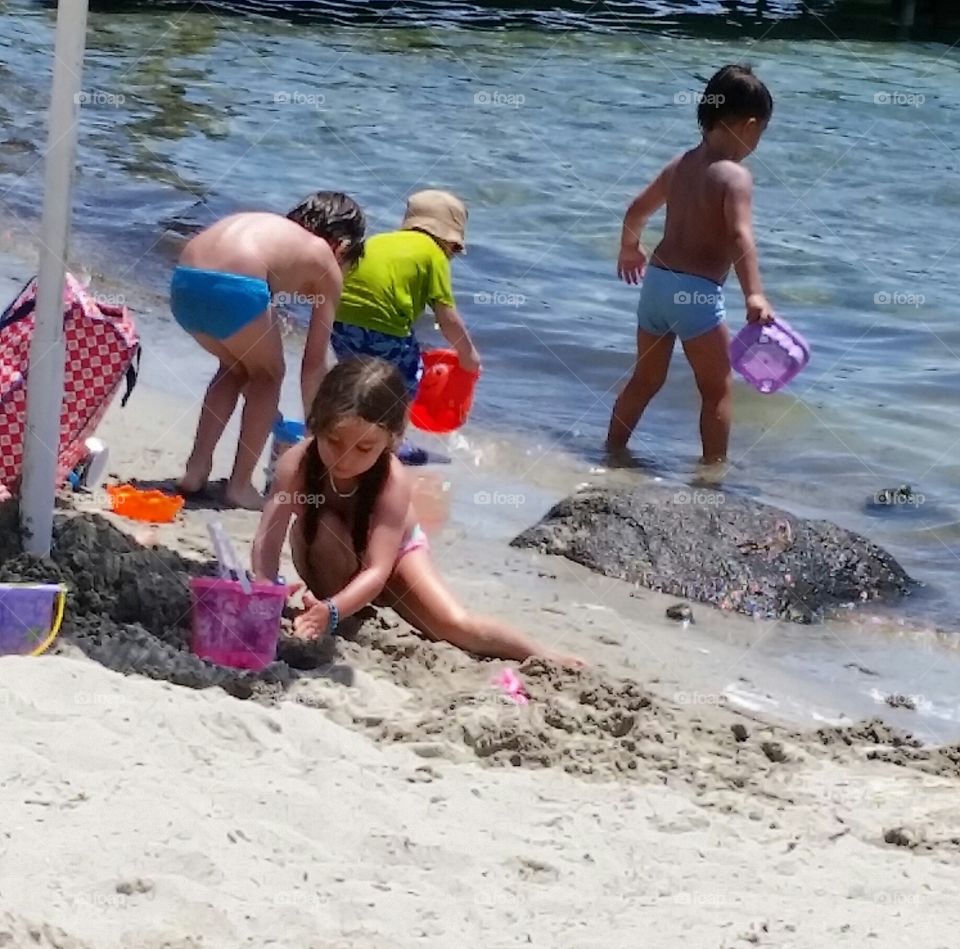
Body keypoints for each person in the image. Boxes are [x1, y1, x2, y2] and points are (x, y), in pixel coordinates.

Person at [252, 357, 582, 666]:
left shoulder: (391, 480)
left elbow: (378, 570)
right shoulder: (296, 465)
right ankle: (337, 611)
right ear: (316, 424)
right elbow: (269, 537)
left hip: (395, 559)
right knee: (322, 524)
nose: (345, 458)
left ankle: (542, 654)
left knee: (455, 625)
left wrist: (333, 610)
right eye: (334, 441)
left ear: (392, 441)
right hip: (327, 553)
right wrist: (267, 587)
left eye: (364, 448)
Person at [607, 64, 775, 465]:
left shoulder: (681, 164)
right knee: (717, 389)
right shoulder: (735, 176)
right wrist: (754, 293)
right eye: (761, 132)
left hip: (657, 286)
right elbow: (739, 237)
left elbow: (635, 211)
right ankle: (713, 472)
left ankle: (612, 448)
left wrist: (630, 249)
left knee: (645, 379)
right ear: (750, 126)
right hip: (697, 295)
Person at [172, 192, 366, 510]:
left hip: (183, 283)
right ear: (342, 247)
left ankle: (195, 471)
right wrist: (317, 429)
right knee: (269, 376)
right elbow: (313, 365)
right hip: (237, 285)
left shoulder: (272, 229)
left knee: (233, 368)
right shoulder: (325, 259)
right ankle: (240, 486)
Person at [331, 189, 481, 399]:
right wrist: (468, 355)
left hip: (338, 321)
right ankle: (392, 429)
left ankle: (343, 420)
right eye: (455, 249)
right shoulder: (434, 254)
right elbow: (447, 317)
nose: (452, 256)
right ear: (449, 240)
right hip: (385, 329)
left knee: (355, 378)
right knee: (403, 384)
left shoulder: (379, 239)